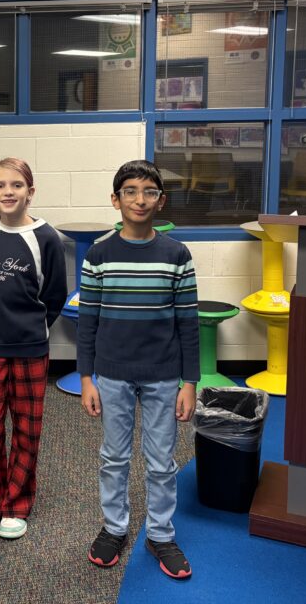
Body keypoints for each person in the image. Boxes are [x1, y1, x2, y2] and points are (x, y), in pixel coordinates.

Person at [78, 159, 199, 580]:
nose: (139, 199)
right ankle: (114, 528)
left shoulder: (177, 255)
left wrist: (190, 382)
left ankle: (160, 534)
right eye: (130, 191)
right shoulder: (98, 254)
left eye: (149, 192)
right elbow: (87, 320)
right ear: (116, 200)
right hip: (111, 373)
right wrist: (87, 377)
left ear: (161, 200)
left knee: (162, 460)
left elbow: (187, 321)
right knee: (114, 456)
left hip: (165, 375)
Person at [0, 158, 67, 540]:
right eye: (0, 185)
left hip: (30, 350)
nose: (8, 192)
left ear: (31, 191)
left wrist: (34, 330)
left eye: (17, 185)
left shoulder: (46, 239)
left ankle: (16, 504)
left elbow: (54, 295)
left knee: (26, 430)